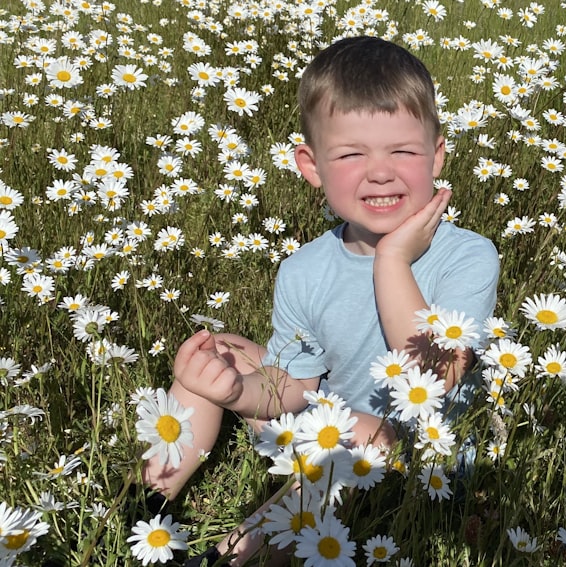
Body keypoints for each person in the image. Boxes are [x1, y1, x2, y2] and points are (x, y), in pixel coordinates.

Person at [140, 35, 500, 566]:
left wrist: (392, 260)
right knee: (220, 354)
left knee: (368, 434)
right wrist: (239, 391)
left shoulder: (468, 256)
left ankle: (232, 555)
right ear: (312, 167)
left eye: (402, 150)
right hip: (327, 423)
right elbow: (295, 385)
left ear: (437, 156)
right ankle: (146, 505)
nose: (381, 171)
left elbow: (434, 374)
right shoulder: (304, 268)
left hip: (416, 461)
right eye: (352, 154)